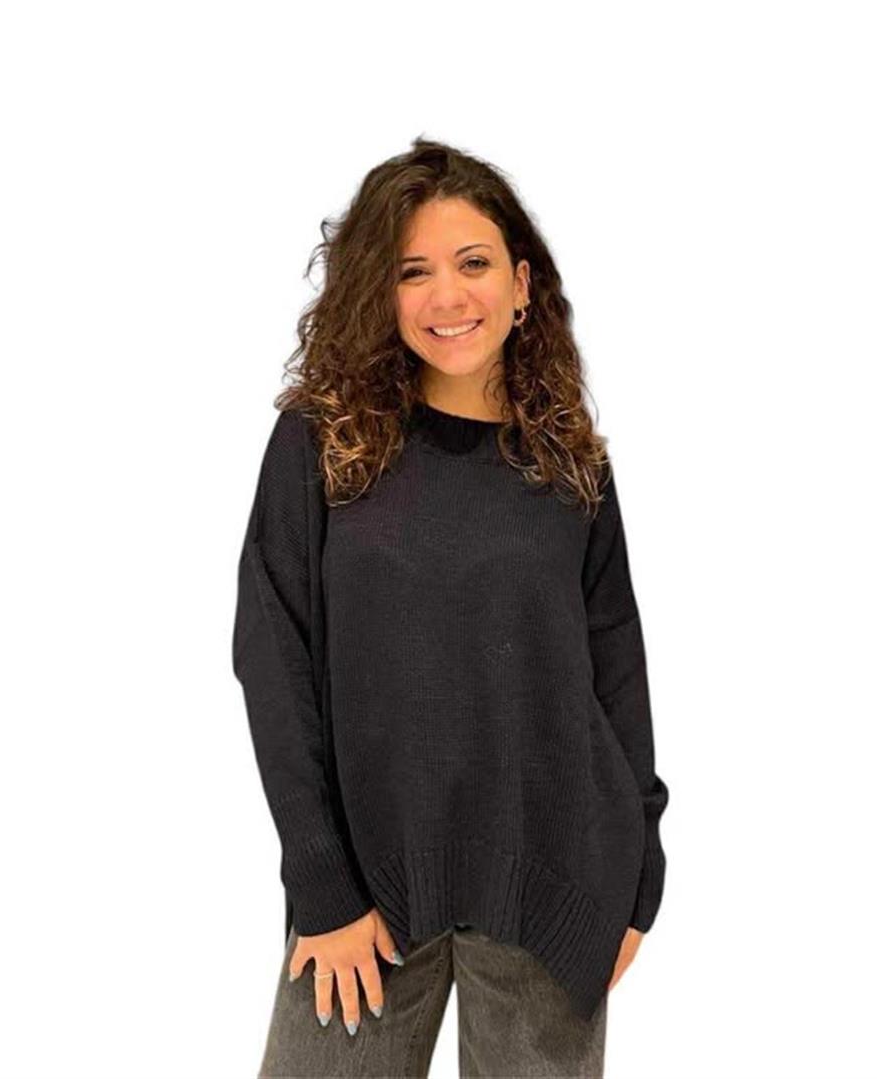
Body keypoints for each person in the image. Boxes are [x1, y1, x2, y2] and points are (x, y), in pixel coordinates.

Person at [231, 137, 670, 1078]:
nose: (447, 295)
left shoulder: (571, 464)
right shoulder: (321, 441)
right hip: (364, 894)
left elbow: (616, 665)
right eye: (412, 271)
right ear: (379, 294)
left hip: (556, 880)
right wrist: (323, 884)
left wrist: (641, 873)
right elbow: (272, 658)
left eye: (473, 263)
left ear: (521, 285)